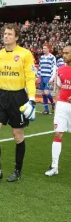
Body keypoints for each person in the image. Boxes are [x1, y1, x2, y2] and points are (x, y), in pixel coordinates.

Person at [0, 24, 36, 184]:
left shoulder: (25, 54)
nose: (6, 36)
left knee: (17, 135)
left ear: (16, 37)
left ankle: (17, 170)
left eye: (9, 34)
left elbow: (30, 78)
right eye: (5, 34)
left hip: (18, 97)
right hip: (1, 97)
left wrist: (32, 99)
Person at [45, 45, 71, 176]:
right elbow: (60, 88)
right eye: (63, 53)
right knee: (58, 134)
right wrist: (57, 103)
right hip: (62, 105)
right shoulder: (60, 69)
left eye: (67, 53)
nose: (64, 55)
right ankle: (54, 166)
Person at [36, 44, 57, 114]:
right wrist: (37, 77)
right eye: (43, 48)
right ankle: (46, 110)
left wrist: (52, 78)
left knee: (46, 92)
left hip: (48, 77)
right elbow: (40, 68)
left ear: (48, 49)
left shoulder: (52, 57)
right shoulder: (41, 57)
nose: (43, 49)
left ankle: (53, 104)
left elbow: (54, 68)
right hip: (42, 77)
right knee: (43, 94)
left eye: (45, 48)